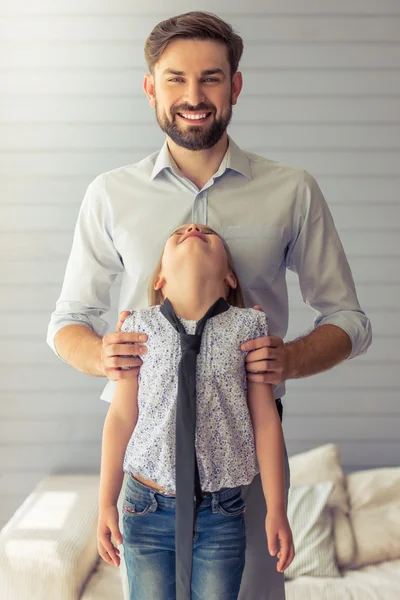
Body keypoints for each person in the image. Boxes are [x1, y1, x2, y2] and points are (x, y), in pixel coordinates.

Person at [46, 11, 372, 600]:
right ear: (150, 86)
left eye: (211, 78)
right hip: (147, 464)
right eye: (175, 79)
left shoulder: (292, 190)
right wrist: (103, 356)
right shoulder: (109, 195)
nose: (193, 96)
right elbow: (66, 321)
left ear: (236, 85)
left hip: (244, 458)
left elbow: (350, 320)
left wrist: (289, 361)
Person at [97, 223, 295, 599]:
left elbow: (266, 422)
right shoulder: (137, 329)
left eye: (207, 232)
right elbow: (121, 417)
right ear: (160, 280)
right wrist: (106, 501)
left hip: (220, 514)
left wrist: (277, 509)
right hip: (146, 507)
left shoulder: (249, 327)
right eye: (177, 233)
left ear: (230, 277)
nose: (191, 229)